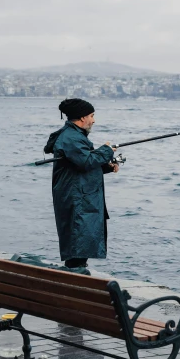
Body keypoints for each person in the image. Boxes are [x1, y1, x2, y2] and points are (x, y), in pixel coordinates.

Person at [44, 98, 119, 270]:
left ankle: (75, 277)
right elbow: (85, 161)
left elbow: (79, 165)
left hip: (80, 197)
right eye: (92, 116)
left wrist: (106, 167)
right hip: (78, 200)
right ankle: (75, 281)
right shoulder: (71, 138)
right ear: (82, 117)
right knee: (78, 246)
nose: (94, 120)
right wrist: (106, 150)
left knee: (80, 246)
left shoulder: (74, 136)